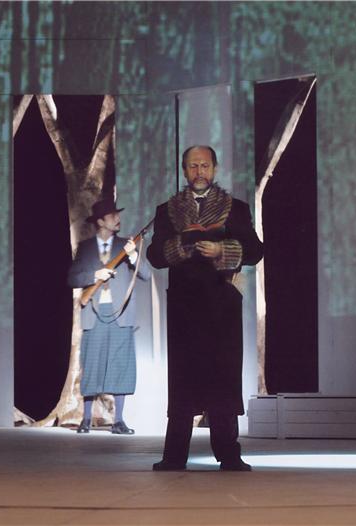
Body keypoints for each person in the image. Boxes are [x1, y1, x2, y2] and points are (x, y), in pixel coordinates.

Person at [147, 145, 263, 471]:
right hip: (184, 309)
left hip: (221, 306)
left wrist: (222, 249)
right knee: (182, 381)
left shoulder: (235, 209)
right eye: (193, 166)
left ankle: (229, 454)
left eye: (205, 165)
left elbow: (255, 250)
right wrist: (181, 247)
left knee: (223, 379)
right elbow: (154, 256)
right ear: (184, 170)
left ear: (215, 168)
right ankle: (174, 456)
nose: (200, 172)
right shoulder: (167, 210)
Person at [68, 199, 151, 435]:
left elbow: (146, 274)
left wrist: (133, 256)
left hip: (120, 315)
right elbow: (72, 278)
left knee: (120, 366)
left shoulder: (125, 245)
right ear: (101, 221)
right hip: (94, 314)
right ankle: (86, 419)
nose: (118, 219)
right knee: (92, 364)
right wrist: (95, 275)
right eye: (113, 215)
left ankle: (119, 420)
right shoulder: (85, 247)